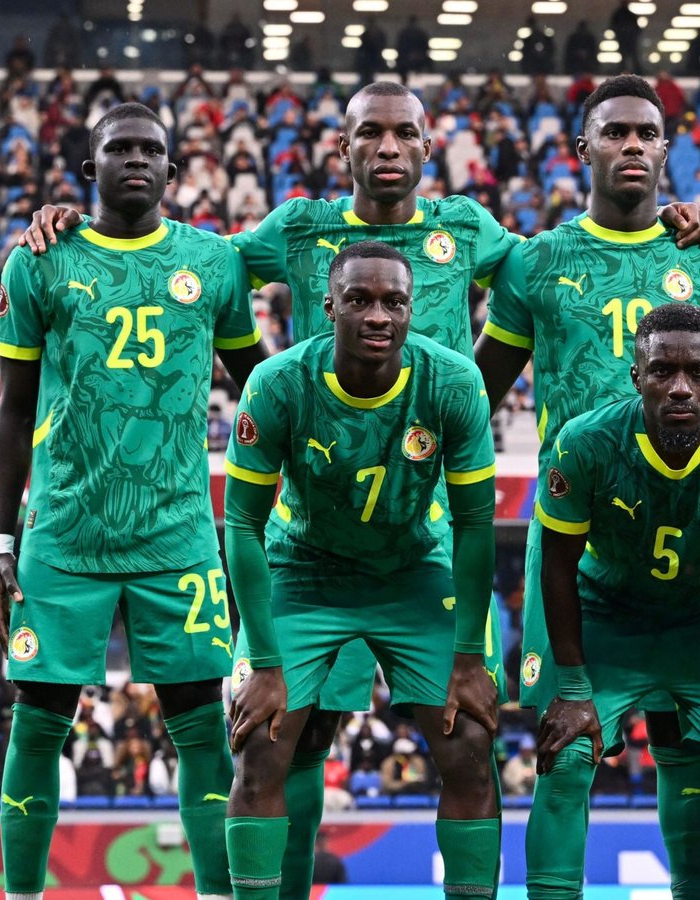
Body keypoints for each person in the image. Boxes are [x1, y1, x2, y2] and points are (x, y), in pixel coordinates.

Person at [19, 79, 700, 900]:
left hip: (419, 538)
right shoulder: (299, 228)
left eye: (404, 136)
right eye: (370, 135)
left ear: (429, 149)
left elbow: (564, 256)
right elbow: (186, 259)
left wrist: (673, 226)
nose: (387, 149)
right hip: (309, 532)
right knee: (300, 735)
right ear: (343, 148)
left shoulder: (466, 229)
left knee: (466, 740)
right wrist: (77, 225)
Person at [472, 74, 700, 900]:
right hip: (581, 545)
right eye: (611, 133)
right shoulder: (537, 262)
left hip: (697, 537)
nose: (629, 146)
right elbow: (476, 392)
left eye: (645, 134)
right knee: (564, 747)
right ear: (581, 149)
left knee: (695, 748)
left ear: (667, 149)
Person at [0, 102, 266, 900]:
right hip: (65, 532)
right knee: (38, 722)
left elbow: (257, 386)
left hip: (176, 535)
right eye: (120, 148)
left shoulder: (213, 264)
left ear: (175, 171)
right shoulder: (39, 261)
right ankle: (22, 892)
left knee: (201, 731)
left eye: (153, 149)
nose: (137, 159)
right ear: (91, 167)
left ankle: (218, 893)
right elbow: (11, 411)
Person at [222, 240, 500, 900]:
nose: (378, 315)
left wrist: (467, 659)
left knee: (469, 748)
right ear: (329, 307)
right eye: (360, 300)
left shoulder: (455, 382)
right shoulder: (280, 383)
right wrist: (263, 663)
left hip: (414, 571)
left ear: (412, 311)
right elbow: (240, 525)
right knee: (261, 744)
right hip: (304, 570)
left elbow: (476, 525)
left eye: (394, 302)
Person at [530, 302, 700, 900]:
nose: (680, 387)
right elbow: (556, 566)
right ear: (636, 376)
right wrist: (572, 689)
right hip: (606, 621)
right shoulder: (586, 442)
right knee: (565, 760)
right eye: (662, 371)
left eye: (698, 372)